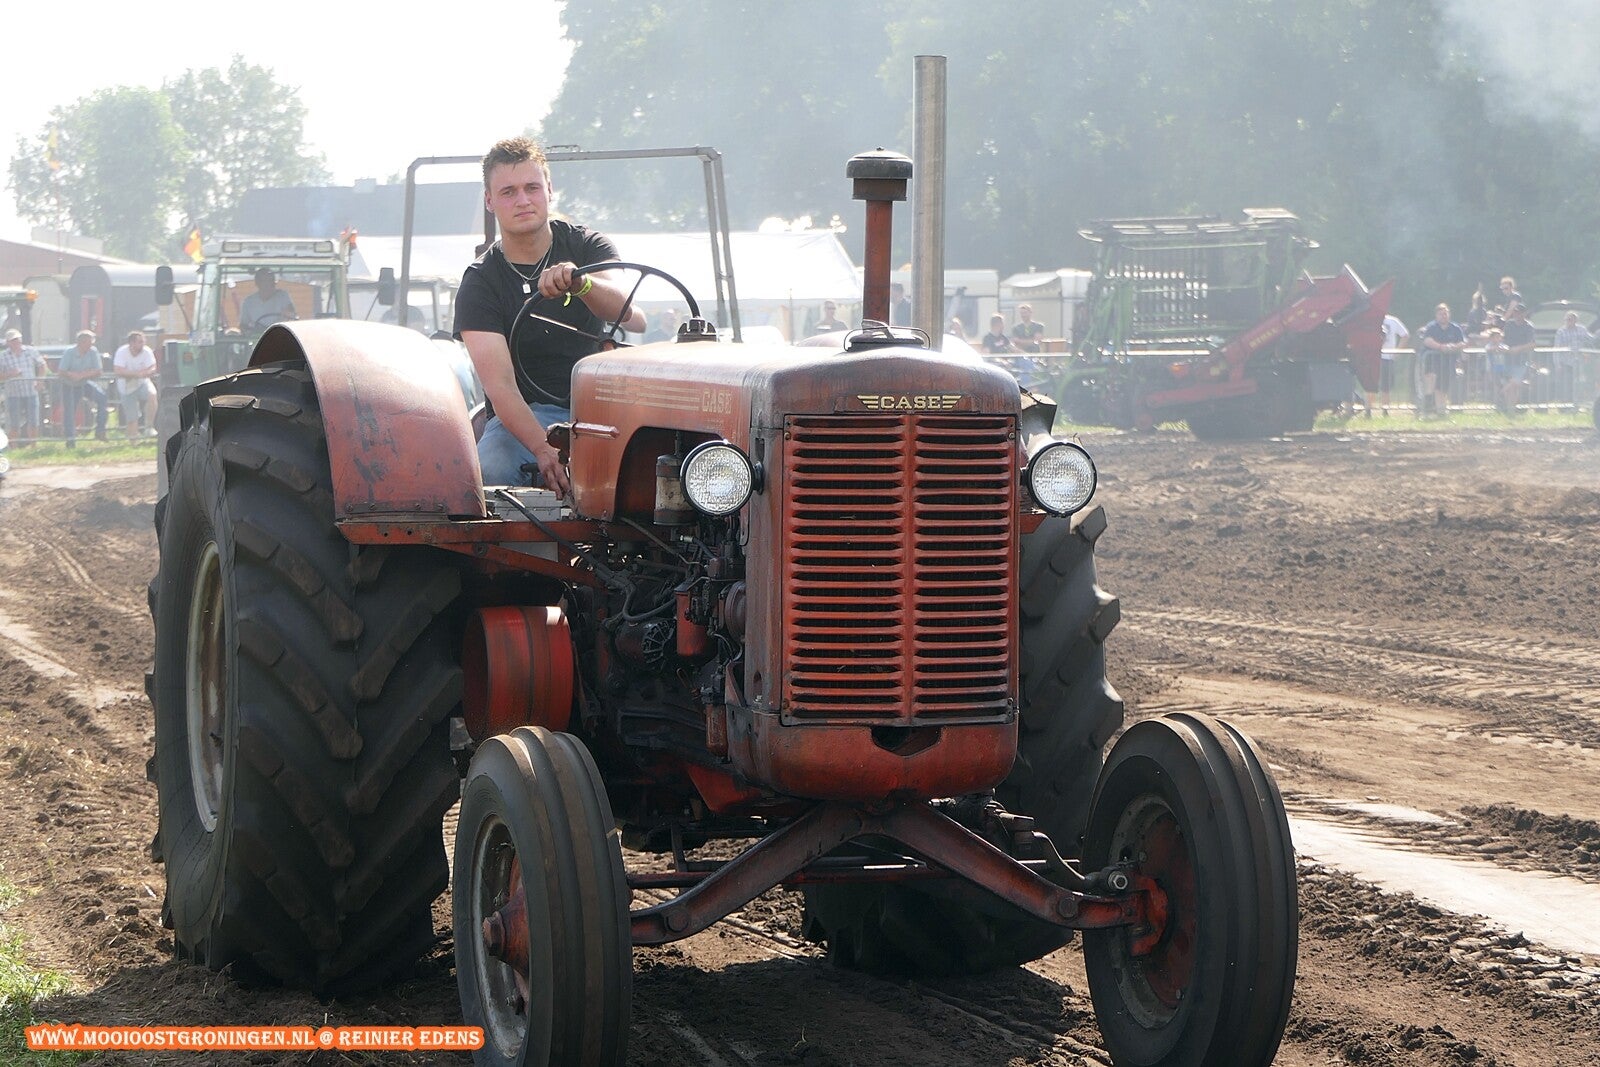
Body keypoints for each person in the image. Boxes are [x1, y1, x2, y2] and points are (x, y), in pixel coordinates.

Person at [456, 137, 646, 492]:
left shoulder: (587, 246)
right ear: (489, 201)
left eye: (532, 188)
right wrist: (543, 448)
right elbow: (500, 386)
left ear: (549, 190)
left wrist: (582, 284)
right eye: (509, 192)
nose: (523, 200)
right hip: (527, 416)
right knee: (491, 468)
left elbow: (626, 309)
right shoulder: (480, 283)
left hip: (604, 408)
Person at [56, 329, 110, 447]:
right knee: (69, 412)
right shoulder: (69, 352)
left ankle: (100, 430)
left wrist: (81, 375)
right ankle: (70, 441)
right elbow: (61, 371)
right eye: (89, 342)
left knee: (102, 398)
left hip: (84, 384)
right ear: (81, 342)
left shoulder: (93, 352)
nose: (91, 345)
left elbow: (98, 371)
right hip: (69, 386)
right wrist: (71, 375)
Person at [1416, 303, 1467, 418]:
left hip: (1448, 362)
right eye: (1441, 314)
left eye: (1445, 313)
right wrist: (1441, 347)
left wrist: (1453, 347)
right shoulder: (1431, 327)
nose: (1443, 316)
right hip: (1432, 360)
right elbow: (1427, 341)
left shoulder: (1455, 328)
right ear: (1436, 315)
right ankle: (1428, 409)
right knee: (1431, 381)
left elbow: (1462, 342)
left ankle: (1441, 412)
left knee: (1442, 388)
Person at [0, 328, 47, 447]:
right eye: (13, 340)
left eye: (18, 339)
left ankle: (33, 447)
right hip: (13, 394)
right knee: (14, 423)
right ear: (8, 342)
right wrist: (10, 374)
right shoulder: (3, 356)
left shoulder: (31, 351)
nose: (17, 342)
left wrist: (40, 380)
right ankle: (13, 448)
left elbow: (42, 365)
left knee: (33, 421)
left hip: (30, 392)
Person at [113, 330, 159, 439]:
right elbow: (118, 370)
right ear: (131, 343)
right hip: (126, 387)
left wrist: (145, 373)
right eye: (140, 342)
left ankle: (149, 427)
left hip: (142, 382)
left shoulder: (147, 351)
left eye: (143, 341)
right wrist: (137, 374)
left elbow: (153, 367)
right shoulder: (121, 352)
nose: (143, 344)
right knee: (132, 418)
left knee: (152, 395)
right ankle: (133, 442)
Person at [1500, 302, 1539, 403]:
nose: (1516, 314)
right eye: (1515, 312)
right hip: (1508, 359)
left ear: (1524, 313)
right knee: (1512, 386)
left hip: (1522, 361)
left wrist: (1519, 348)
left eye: (1519, 312)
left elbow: (1533, 344)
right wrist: (1504, 347)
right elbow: (1503, 340)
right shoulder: (1509, 324)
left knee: (1515, 382)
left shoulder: (1529, 326)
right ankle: (1511, 407)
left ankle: (1500, 394)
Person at [1553, 310, 1595, 403]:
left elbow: (1591, 339)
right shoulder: (1561, 331)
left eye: (1570, 319)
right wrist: (1557, 364)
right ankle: (1566, 403)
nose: (1567, 321)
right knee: (1567, 383)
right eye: (1566, 319)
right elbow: (1556, 348)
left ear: (1575, 320)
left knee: (1578, 383)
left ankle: (1577, 402)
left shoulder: (1582, 329)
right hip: (1566, 362)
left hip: (1580, 362)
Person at [239, 268, 298, 332]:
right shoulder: (248, 302)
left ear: (274, 283)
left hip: (279, 334)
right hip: (257, 336)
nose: (267, 285)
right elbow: (243, 325)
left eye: (270, 281)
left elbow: (292, 317)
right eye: (263, 282)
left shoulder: (283, 296)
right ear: (257, 283)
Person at [1376, 312, 1409, 416]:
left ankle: (1385, 410)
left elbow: (1405, 335)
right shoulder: (1370, 319)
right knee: (1370, 385)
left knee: (1386, 386)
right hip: (1373, 357)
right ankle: (1368, 410)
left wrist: (1397, 351)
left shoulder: (1392, 321)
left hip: (1388, 357)